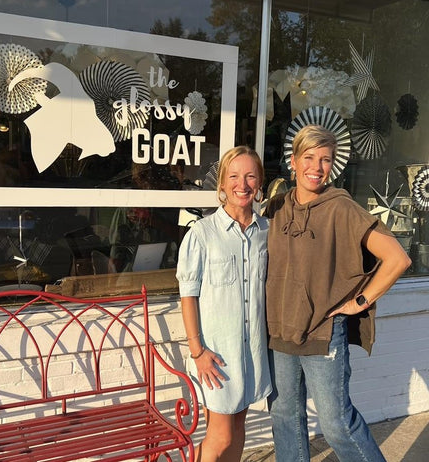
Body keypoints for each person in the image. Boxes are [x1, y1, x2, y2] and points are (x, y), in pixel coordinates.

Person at [264, 124, 412, 462]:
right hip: (279, 334)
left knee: (336, 424)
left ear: (333, 166)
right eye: (310, 157)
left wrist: (359, 301)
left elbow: (397, 259)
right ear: (294, 160)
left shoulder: (341, 208)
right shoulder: (275, 209)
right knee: (285, 418)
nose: (316, 167)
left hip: (322, 333)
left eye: (326, 160)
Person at [176, 146, 272, 461]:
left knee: (239, 427)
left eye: (250, 176)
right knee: (220, 436)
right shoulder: (202, 234)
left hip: (252, 352)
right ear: (221, 183)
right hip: (217, 358)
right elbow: (187, 295)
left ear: (259, 183)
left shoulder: (266, 233)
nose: (241, 185)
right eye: (234, 176)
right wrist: (197, 351)